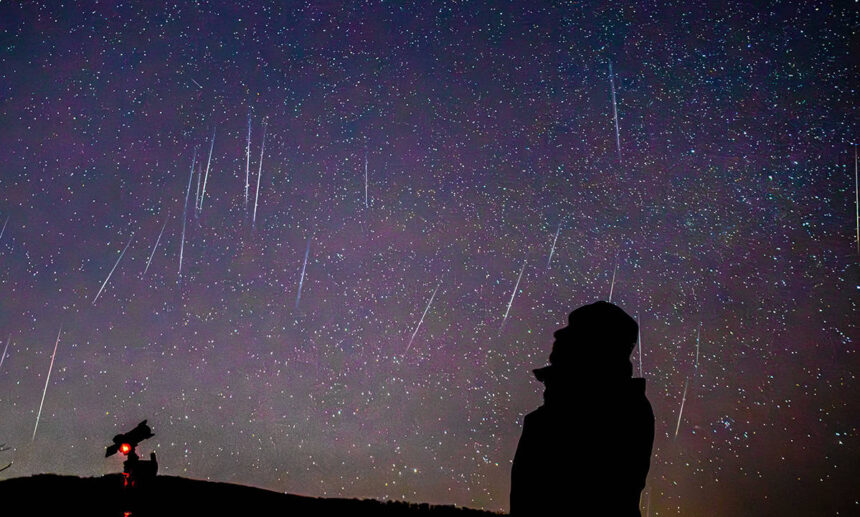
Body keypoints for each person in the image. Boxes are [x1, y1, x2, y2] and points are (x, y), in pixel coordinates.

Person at [510, 301, 654, 516]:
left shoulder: (616, 411)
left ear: (597, 344)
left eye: (574, 329)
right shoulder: (562, 408)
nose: (559, 333)